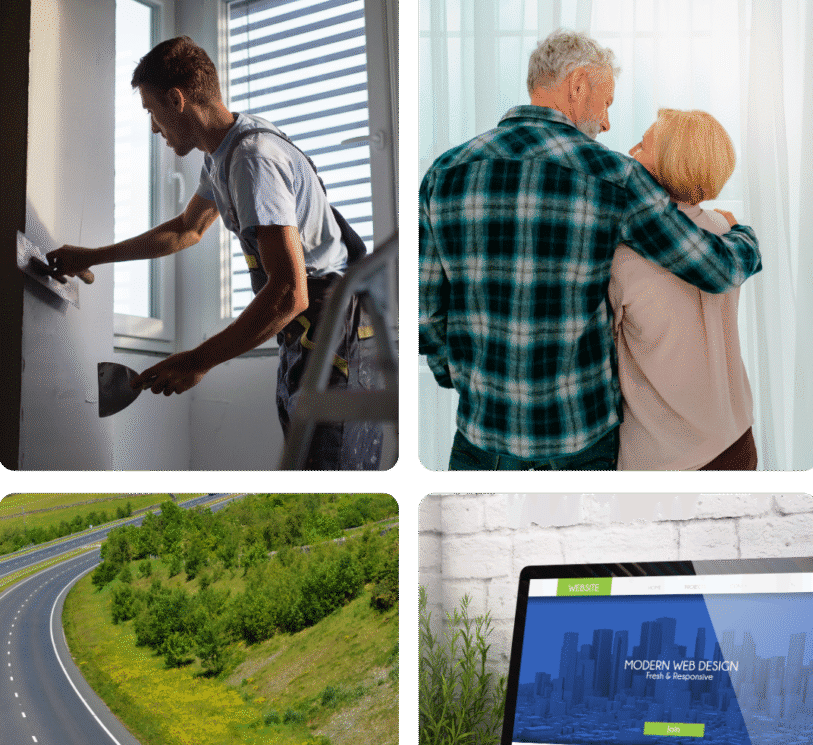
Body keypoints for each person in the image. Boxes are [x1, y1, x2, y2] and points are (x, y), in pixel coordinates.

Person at [418, 28, 762, 471]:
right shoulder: (614, 176)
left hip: (482, 435)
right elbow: (715, 269)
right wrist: (744, 236)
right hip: (580, 439)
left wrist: (460, 378)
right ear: (578, 85)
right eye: (607, 102)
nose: (607, 122)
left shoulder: (443, 173)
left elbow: (425, 310)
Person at [47, 36, 382, 471]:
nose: (154, 128)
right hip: (306, 332)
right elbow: (185, 230)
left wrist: (198, 360)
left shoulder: (252, 159)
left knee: (331, 478)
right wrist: (92, 256)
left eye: (151, 111)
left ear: (176, 99)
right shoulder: (223, 154)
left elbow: (289, 293)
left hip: (334, 329)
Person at [610, 110, 756, 471]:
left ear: (670, 165)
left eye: (642, 145)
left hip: (667, 460)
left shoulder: (624, 259)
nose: (630, 152)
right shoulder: (726, 228)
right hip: (738, 441)